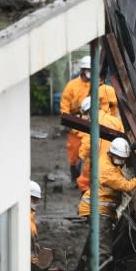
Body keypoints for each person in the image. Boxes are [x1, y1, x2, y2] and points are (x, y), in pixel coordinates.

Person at [78, 137, 136, 263]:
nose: (123, 162)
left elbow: (120, 155)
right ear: (111, 154)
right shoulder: (108, 171)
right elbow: (127, 186)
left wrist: (132, 147)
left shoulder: (106, 157)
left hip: (90, 209)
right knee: (104, 252)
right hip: (99, 213)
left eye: (124, 158)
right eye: (120, 158)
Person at [76, 96, 124, 192]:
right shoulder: (115, 121)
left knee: (88, 185)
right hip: (114, 161)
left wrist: (81, 157)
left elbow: (86, 145)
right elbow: (123, 139)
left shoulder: (90, 124)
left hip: (98, 164)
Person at [60, 56, 92, 185]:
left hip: (89, 123)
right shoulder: (72, 85)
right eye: (87, 69)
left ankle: (85, 179)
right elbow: (65, 104)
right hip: (74, 124)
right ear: (82, 70)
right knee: (73, 154)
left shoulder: (96, 85)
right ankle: (74, 177)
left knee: (86, 153)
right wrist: (67, 121)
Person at [30, 180, 42, 255]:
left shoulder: (31, 213)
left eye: (37, 199)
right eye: (33, 199)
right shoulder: (22, 216)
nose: (35, 202)